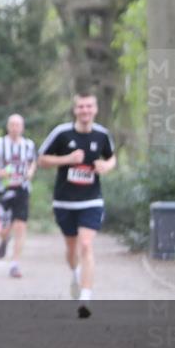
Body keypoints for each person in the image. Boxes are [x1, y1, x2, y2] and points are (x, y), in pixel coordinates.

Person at [37, 93, 116, 319]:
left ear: (96, 109)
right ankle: (75, 273)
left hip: (91, 199)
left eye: (89, 106)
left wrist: (106, 166)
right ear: (75, 110)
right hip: (64, 200)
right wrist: (67, 159)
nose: (85, 110)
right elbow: (41, 159)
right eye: (81, 106)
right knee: (72, 249)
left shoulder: (102, 134)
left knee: (86, 245)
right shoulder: (61, 133)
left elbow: (112, 158)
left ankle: (86, 298)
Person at [0, 114, 37, 278]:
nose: (15, 128)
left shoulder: (28, 145)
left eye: (18, 125)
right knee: (5, 227)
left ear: (22, 127)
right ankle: (4, 240)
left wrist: (30, 172)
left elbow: (33, 161)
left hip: (22, 189)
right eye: (12, 125)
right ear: (8, 126)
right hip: (2, 191)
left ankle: (15, 264)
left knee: (21, 225)